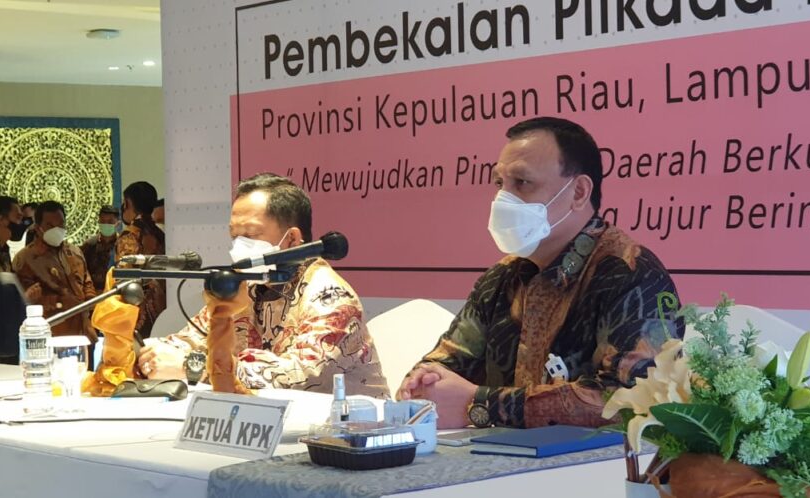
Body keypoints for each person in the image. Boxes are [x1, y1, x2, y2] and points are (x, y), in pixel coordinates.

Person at [397, 117, 683, 429]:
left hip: (597, 460)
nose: (502, 199)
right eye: (499, 184)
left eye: (522, 183)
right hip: (493, 456)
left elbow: (627, 400)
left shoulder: (632, 276)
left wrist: (479, 404)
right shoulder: (502, 277)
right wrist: (423, 382)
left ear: (578, 192)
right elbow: (447, 362)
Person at [137, 173, 389, 397]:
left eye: (250, 235)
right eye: (234, 236)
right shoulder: (247, 285)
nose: (238, 246)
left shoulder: (330, 295)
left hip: (347, 429)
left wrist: (193, 367)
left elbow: (299, 375)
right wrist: (152, 354)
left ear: (292, 239)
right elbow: (191, 338)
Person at [13, 201, 98, 341]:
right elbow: (25, 299)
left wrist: (90, 300)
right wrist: (60, 302)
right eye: (50, 225)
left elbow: (86, 281)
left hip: (83, 331)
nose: (57, 229)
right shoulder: (25, 259)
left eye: (60, 224)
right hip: (51, 333)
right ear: (38, 227)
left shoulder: (75, 252)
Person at [116, 182, 166, 339]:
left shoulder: (130, 234)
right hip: (163, 302)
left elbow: (125, 276)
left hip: (139, 307)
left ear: (128, 203)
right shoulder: (159, 233)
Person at [81, 205, 121, 293]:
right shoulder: (89, 245)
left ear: (118, 223)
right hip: (93, 294)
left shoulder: (123, 245)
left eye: (110, 222)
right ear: (98, 221)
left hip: (116, 294)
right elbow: (82, 271)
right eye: (103, 221)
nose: (106, 224)